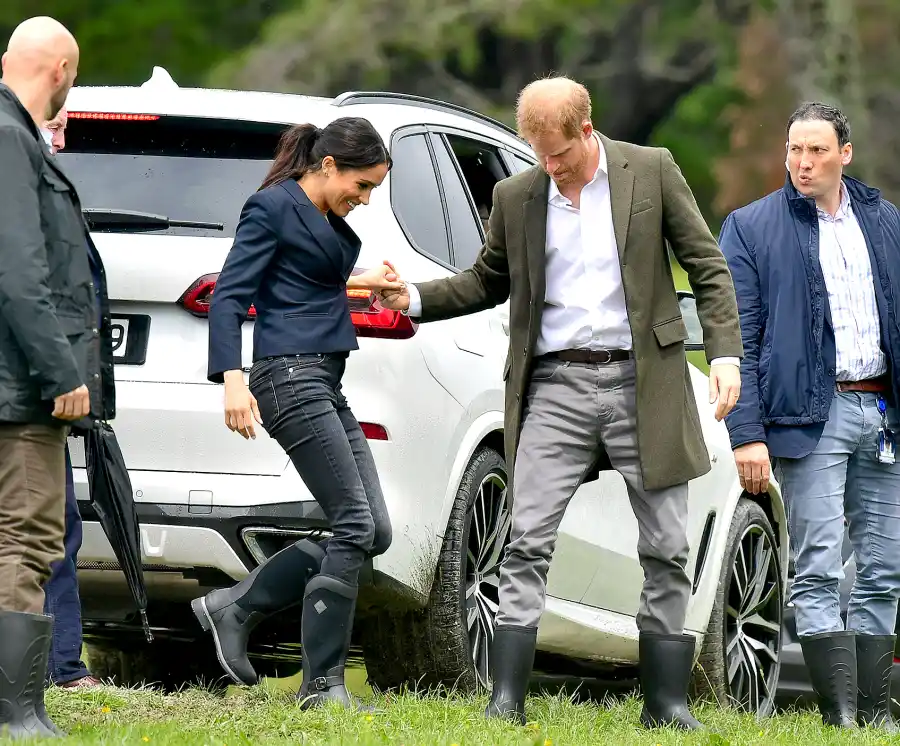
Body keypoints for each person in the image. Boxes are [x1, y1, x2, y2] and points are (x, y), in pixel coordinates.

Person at [379, 76, 744, 729]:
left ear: (586, 127)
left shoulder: (651, 172)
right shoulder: (516, 196)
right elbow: (485, 281)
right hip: (555, 385)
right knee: (526, 539)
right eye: (539, 155)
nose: (551, 168)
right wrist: (410, 298)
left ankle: (664, 703)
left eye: (562, 156)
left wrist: (722, 355)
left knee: (665, 544)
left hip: (645, 380)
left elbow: (707, 265)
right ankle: (507, 698)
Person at [196, 117, 401, 710]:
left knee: (374, 531)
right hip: (286, 377)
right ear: (329, 164)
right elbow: (231, 296)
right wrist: (232, 379)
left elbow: (305, 282)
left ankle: (231, 609)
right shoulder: (271, 208)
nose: (363, 201)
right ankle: (323, 685)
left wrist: (363, 282)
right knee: (355, 526)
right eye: (361, 186)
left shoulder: (321, 217)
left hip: (322, 378)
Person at [720, 102, 900, 731]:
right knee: (818, 564)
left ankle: (877, 715)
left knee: (885, 568)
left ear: (844, 154)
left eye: (817, 150)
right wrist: (747, 434)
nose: (802, 162)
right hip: (806, 418)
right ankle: (840, 718)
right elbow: (736, 336)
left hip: (882, 413)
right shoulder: (750, 226)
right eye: (794, 149)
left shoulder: (885, 221)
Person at [0, 15, 115, 739]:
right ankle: (16, 711)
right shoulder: (12, 138)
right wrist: (60, 370)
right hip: (19, 384)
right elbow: (19, 269)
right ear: (63, 70)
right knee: (31, 536)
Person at [37, 108, 102, 691]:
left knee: (59, 522)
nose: (62, 136)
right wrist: (60, 375)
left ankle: (61, 664)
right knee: (46, 525)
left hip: (45, 388)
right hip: (30, 389)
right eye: (55, 122)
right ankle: (57, 666)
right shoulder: (22, 175)